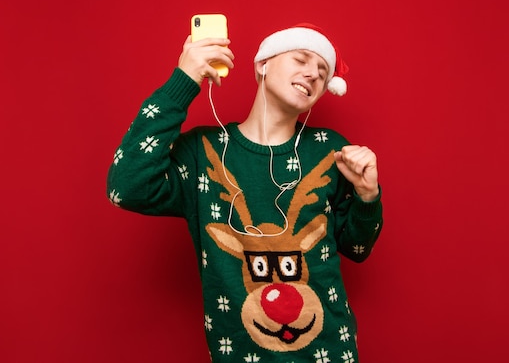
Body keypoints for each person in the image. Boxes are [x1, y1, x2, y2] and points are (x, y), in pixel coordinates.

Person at [107, 21, 383, 362]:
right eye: (301, 59)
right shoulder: (202, 153)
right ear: (263, 64)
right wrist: (184, 81)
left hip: (329, 351)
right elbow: (126, 186)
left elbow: (356, 247)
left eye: (323, 70)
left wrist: (367, 196)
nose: (313, 73)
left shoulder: (330, 151)